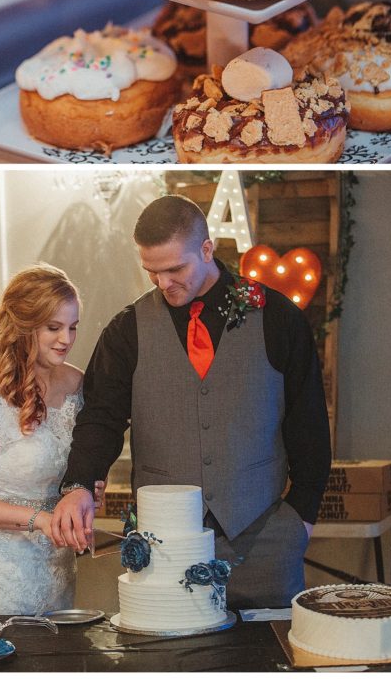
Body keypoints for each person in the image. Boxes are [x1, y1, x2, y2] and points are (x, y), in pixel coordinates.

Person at [51, 195, 331, 608]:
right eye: (152, 272)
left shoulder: (277, 318)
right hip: (162, 550)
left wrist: (300, 521)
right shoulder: (127, 330)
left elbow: (309, 428)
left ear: (206, 249)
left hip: (263, 543)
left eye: (175, 269)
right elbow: (101, 419)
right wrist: (77, 485)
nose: (164, 284)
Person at [0, 264, 102, 615]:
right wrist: (41, 519)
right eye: (54, 328)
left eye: (73, 327)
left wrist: (84, 492)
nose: (67, 339)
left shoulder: (77, 385)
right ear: (24, 327)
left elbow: (82, 459)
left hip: (55, 568)